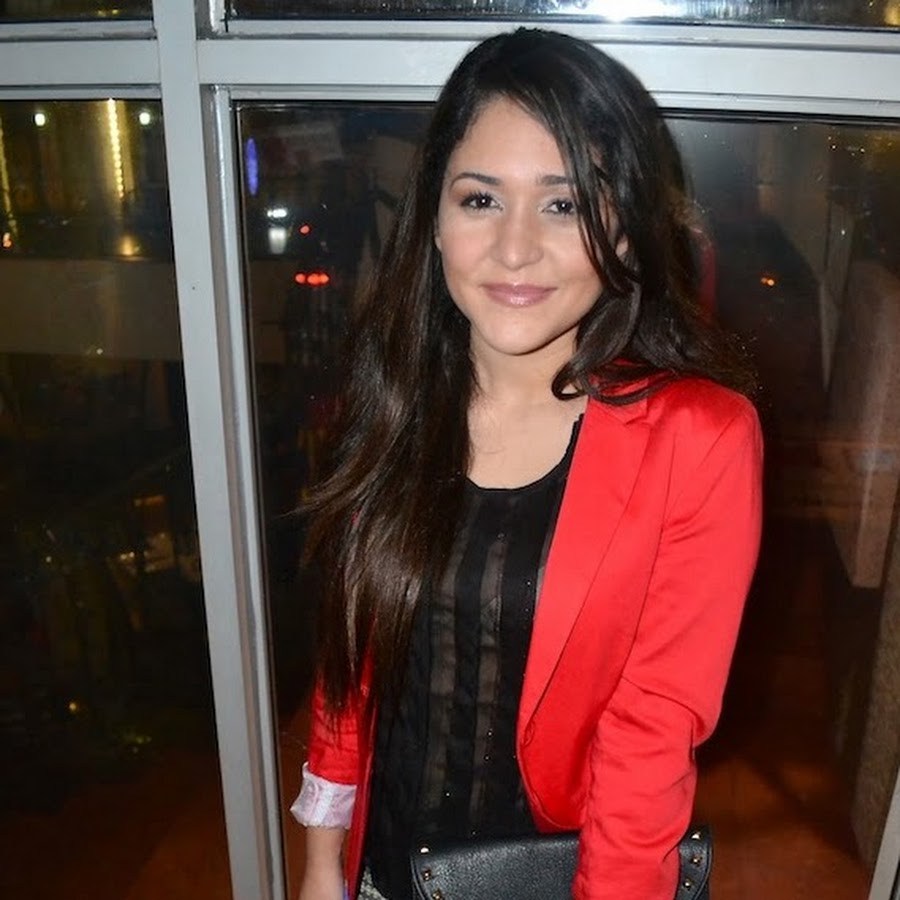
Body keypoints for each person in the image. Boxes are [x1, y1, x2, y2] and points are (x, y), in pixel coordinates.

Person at [291, 27, 763, 900]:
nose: (514, 249)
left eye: (563, 205)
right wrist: (323, 861)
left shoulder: (700, 440)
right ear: (434, 220)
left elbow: (649, 740)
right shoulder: (394, 396)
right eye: (480, 199)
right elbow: (351, 654)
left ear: (626, 230)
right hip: (378, 873)